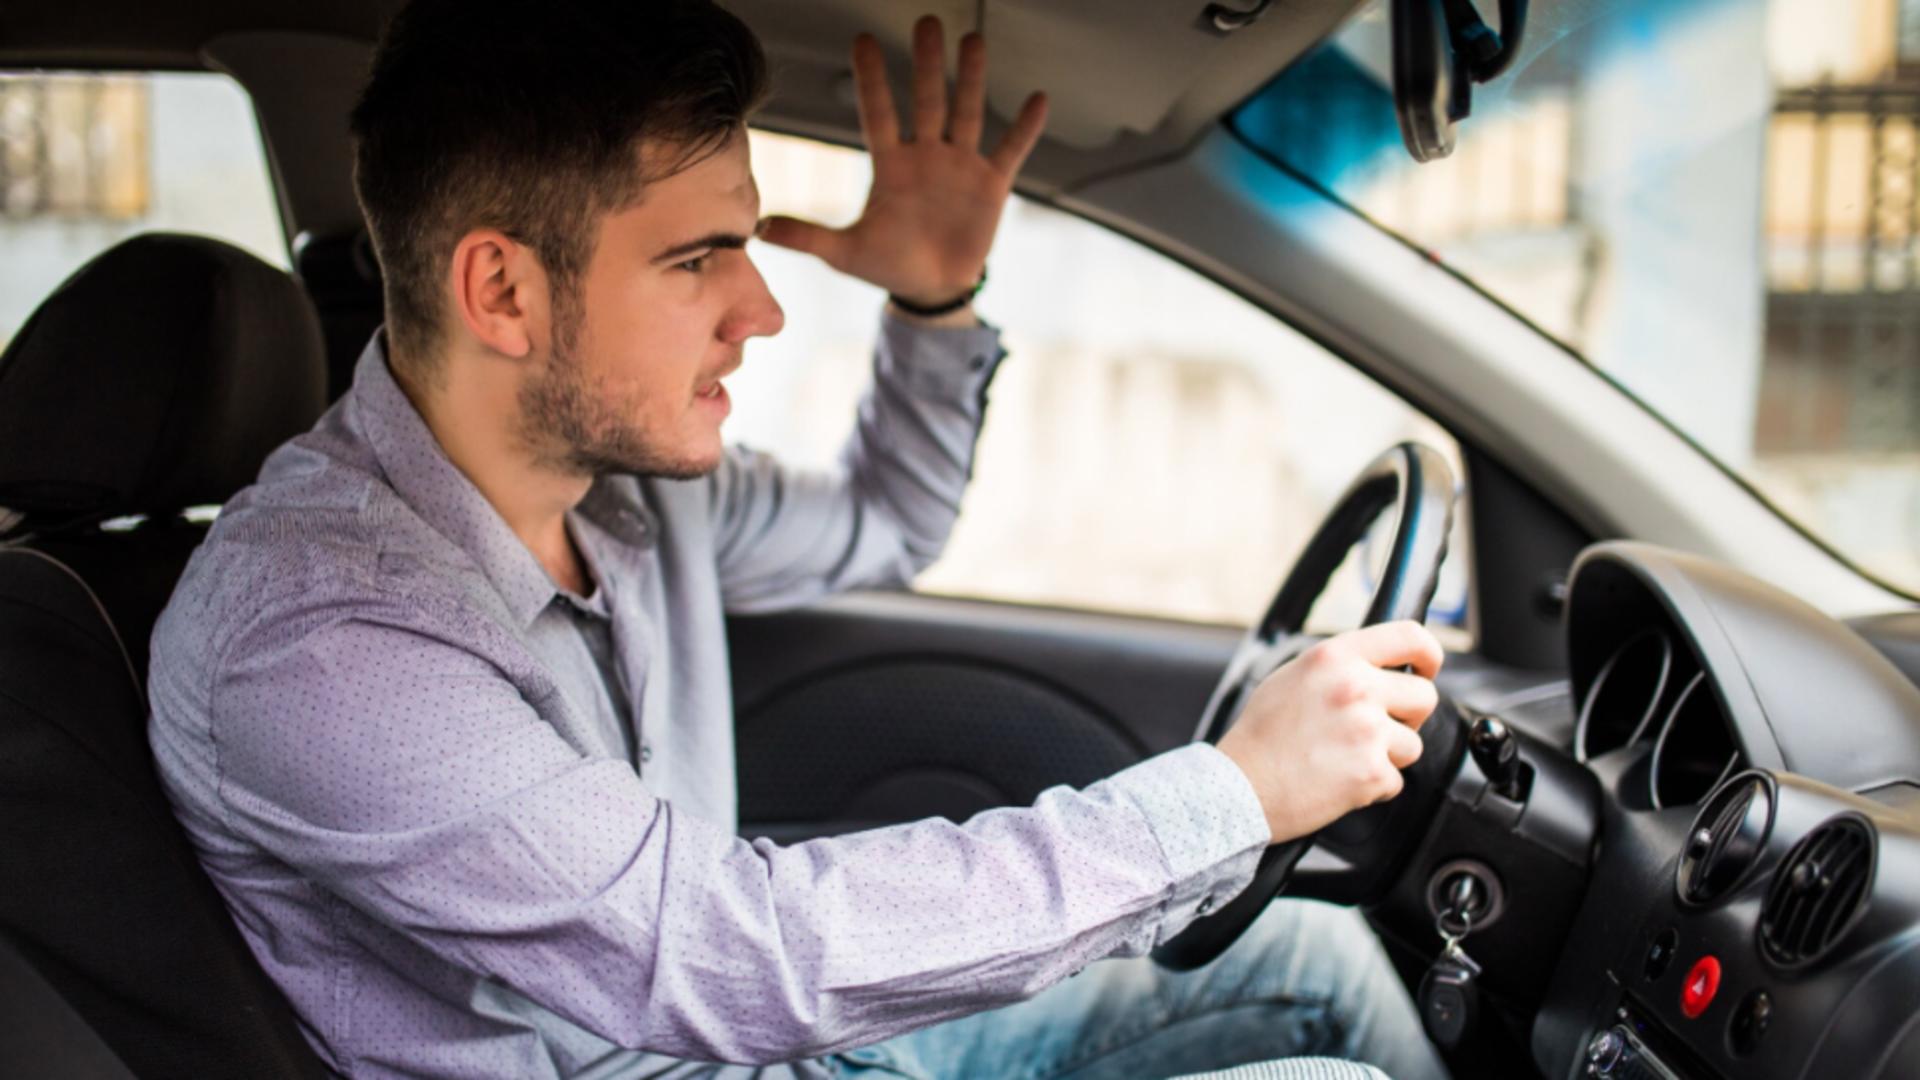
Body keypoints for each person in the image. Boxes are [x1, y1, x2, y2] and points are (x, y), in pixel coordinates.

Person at [146, 2, 1450, 1077]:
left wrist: (933, 302)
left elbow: (888, 521)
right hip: (724, 1027)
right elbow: (720, 955)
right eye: (697, 258)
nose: (762, 307)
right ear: (504, 291)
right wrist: (1229, 796)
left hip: (783, 1056)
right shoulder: (315, 638)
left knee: (1312, 959)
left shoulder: (624, 489)